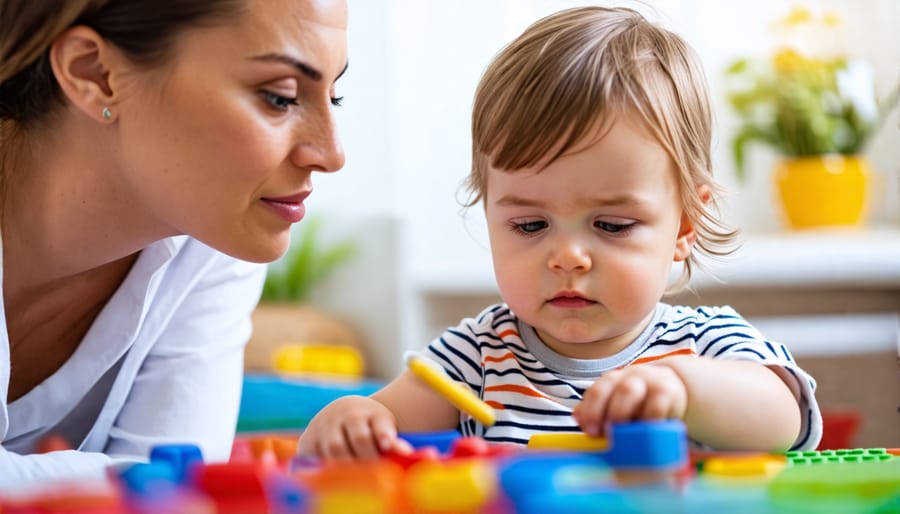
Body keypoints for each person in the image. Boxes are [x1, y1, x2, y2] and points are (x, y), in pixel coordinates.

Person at [297, 5, 822, 460]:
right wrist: (352, 420)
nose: (567, 256)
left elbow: (785, 420)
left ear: (683, 225)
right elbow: (385, 419)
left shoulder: (706, 347)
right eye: (529, 224)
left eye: (611, 225)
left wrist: (680, 387)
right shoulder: (477, 357)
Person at [0, 0, 347, 486]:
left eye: (336, 96)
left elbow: (178, 484)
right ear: (95, 73)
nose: (333, 154)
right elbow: (164, 479)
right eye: (280, 97)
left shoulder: (213, 240)